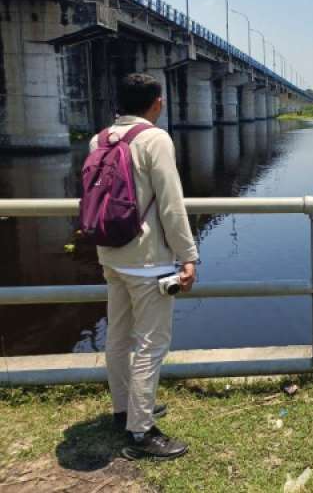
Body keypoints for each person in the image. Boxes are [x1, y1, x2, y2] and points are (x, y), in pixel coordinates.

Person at [90, 73, 198, 460]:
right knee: (152, 345)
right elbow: (171, 203)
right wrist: (188, 256)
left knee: (118, 337)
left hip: (110, 254)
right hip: (148, 260)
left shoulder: (101, 139)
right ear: (157, 103)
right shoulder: (155, 138)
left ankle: (125, 409)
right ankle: (141, 431)